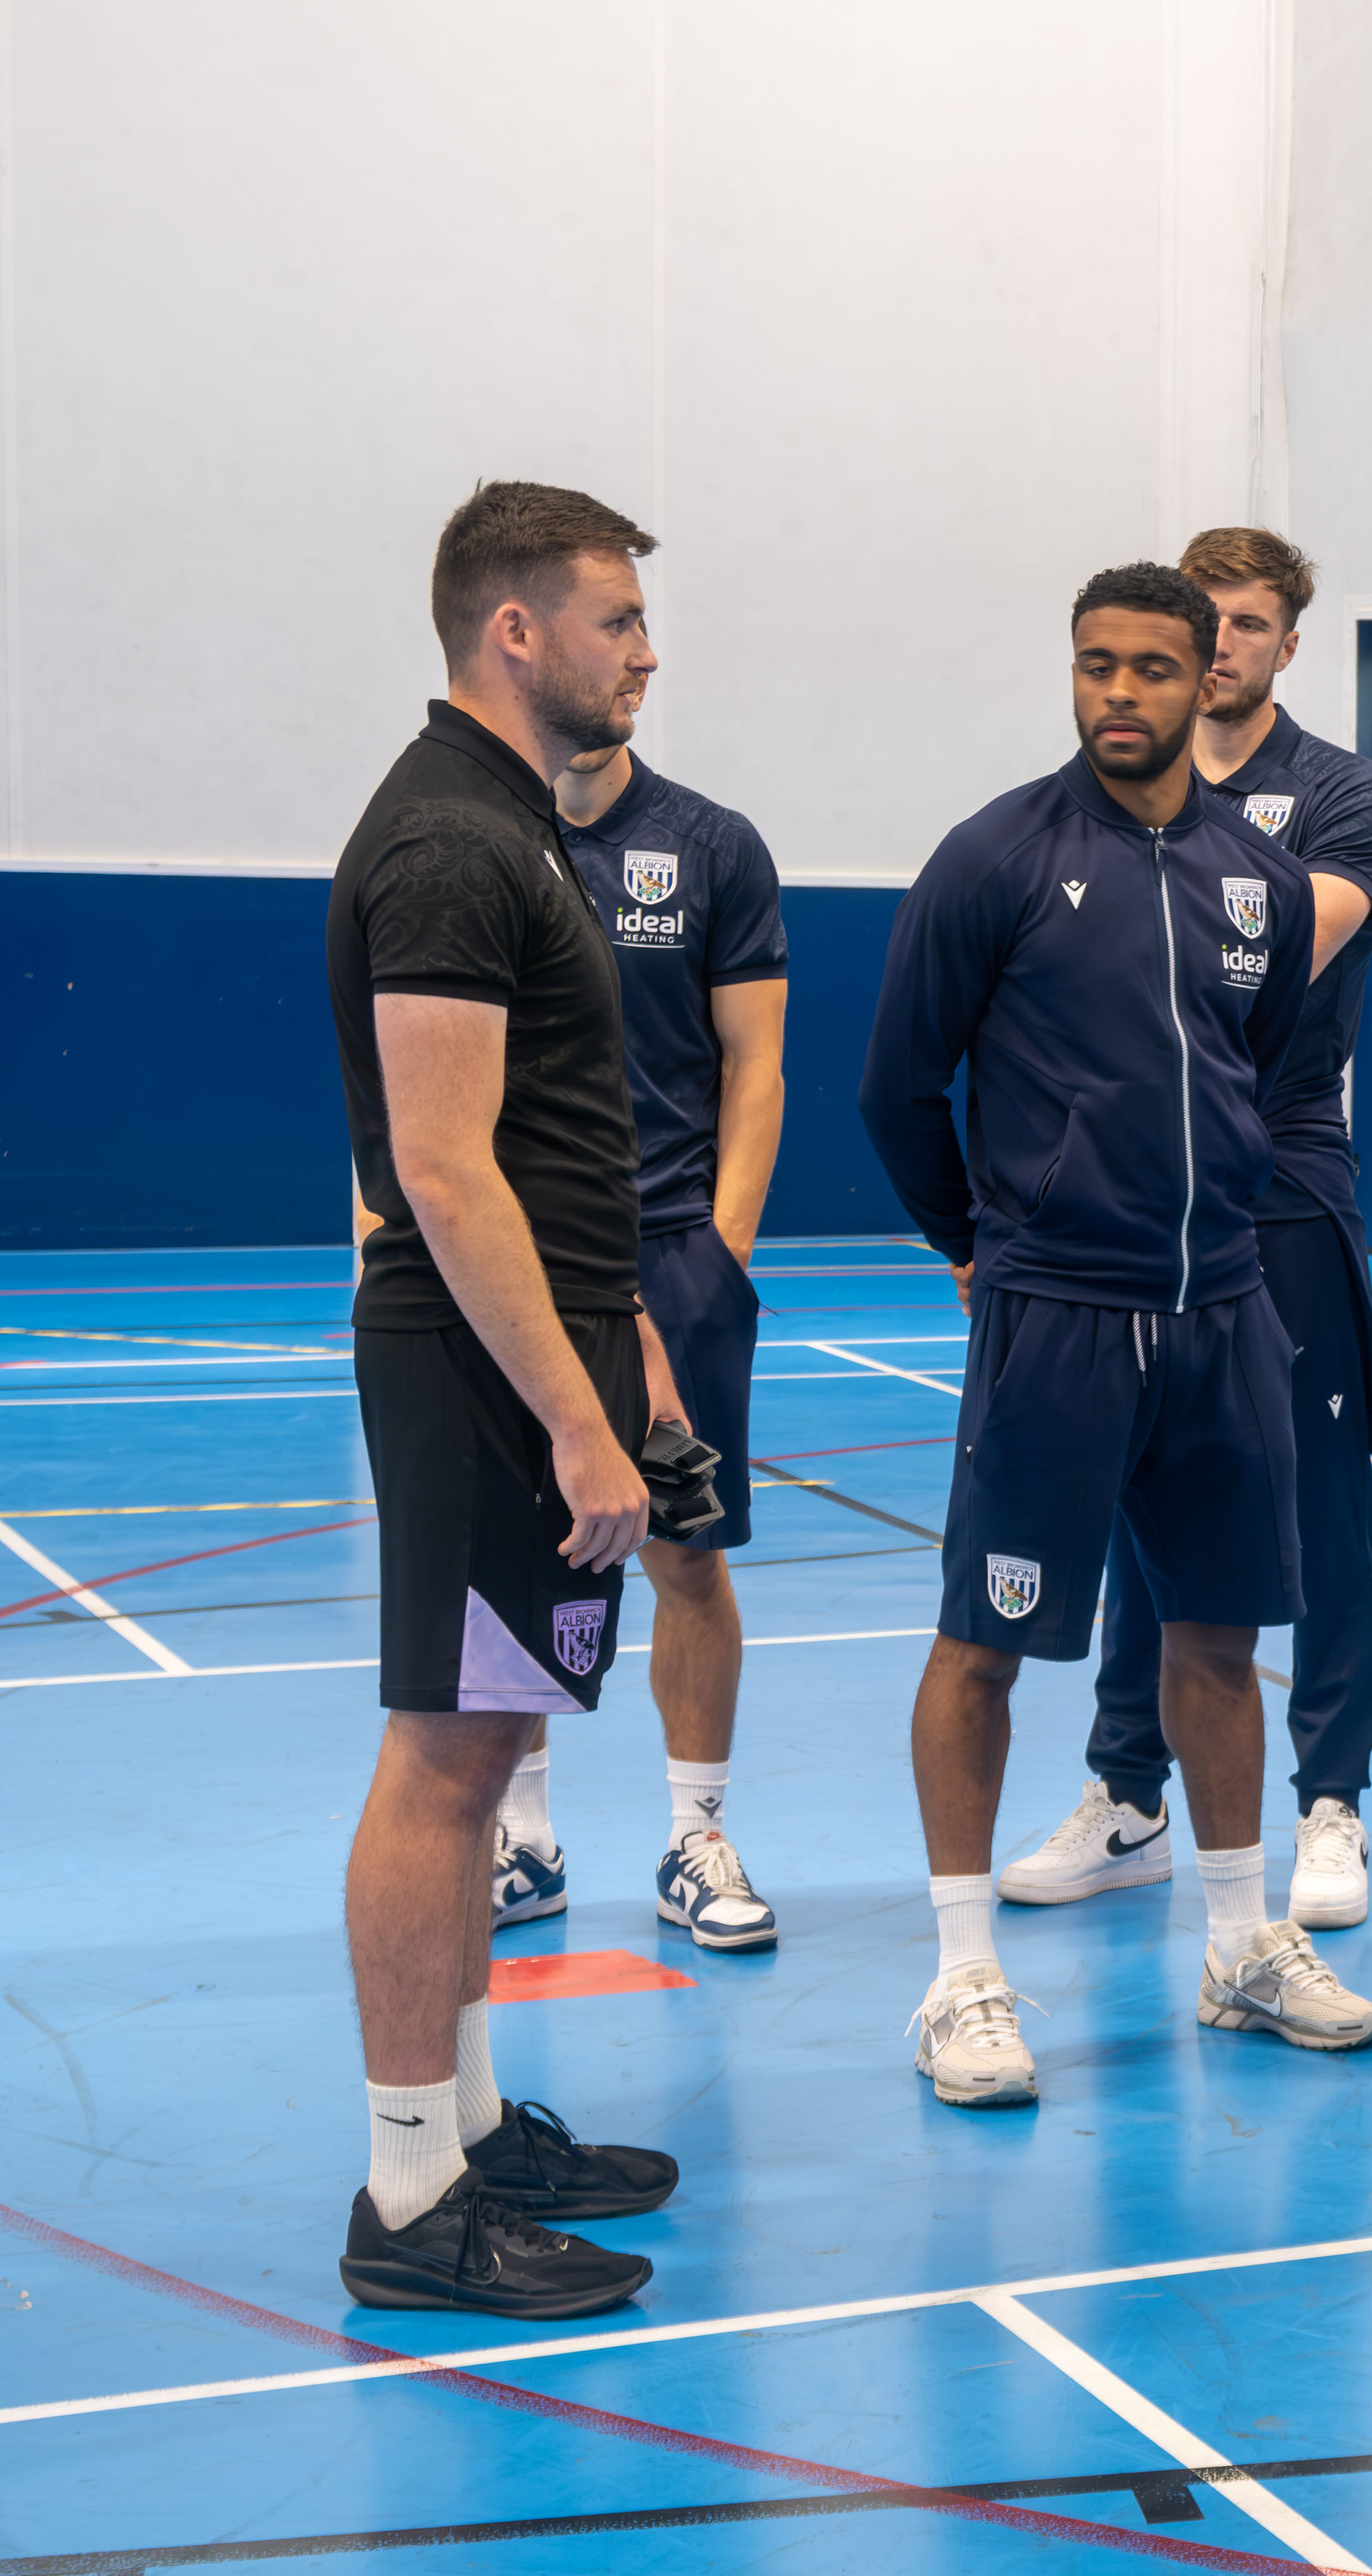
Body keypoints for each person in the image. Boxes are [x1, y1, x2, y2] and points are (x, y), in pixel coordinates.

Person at [857, 563, 1372, 2109]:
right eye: (1098, 666)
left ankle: (1240, 1943)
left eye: (1155, 667)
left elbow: (1270, 1065)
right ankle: (962, 1978)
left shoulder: (1257, 882)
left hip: (1224, 1313)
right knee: (984, 1646)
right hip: (1056, 1323)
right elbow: (898, 1089)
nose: (1123, 696)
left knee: (1219, 1643)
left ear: (1209, 669)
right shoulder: (994, 859)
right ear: (1073, 673)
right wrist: (978, 1243)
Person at [326, 482, 687, 2315]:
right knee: (448, 1757)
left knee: (480, 1761)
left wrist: (631, 1354)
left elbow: (539, 1159)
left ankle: (462, 2127)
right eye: (615, 618)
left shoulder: (513, 829)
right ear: (514, 632)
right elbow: (448, 1171)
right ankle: (409, 2198)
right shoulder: (455, 847)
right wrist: (570, 1415)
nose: (644, 650)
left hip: (529, 1346)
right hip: (475, 1370)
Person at [996, 526, 1372, 1934]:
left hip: (1278, 1174)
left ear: (1288, 643)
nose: (1220, 646)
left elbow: (1271, 960)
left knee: (1322, 1500)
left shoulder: (1343, 795)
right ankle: (1128, 1790)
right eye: (1202, 622)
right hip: (1124, 1192)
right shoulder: (1092, 808)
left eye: (1246, 625)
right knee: (1136, 1497)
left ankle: (1332, 1797)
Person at [470, 712, 792, 1954]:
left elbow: (753, 1066)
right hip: (519, 1254)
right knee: (515, 1556)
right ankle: (524, 1840)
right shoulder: (487, 841)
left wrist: (719, 1255)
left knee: (687, 1557)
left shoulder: (710, 847)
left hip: (672, 1254)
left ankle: (695, 1834)